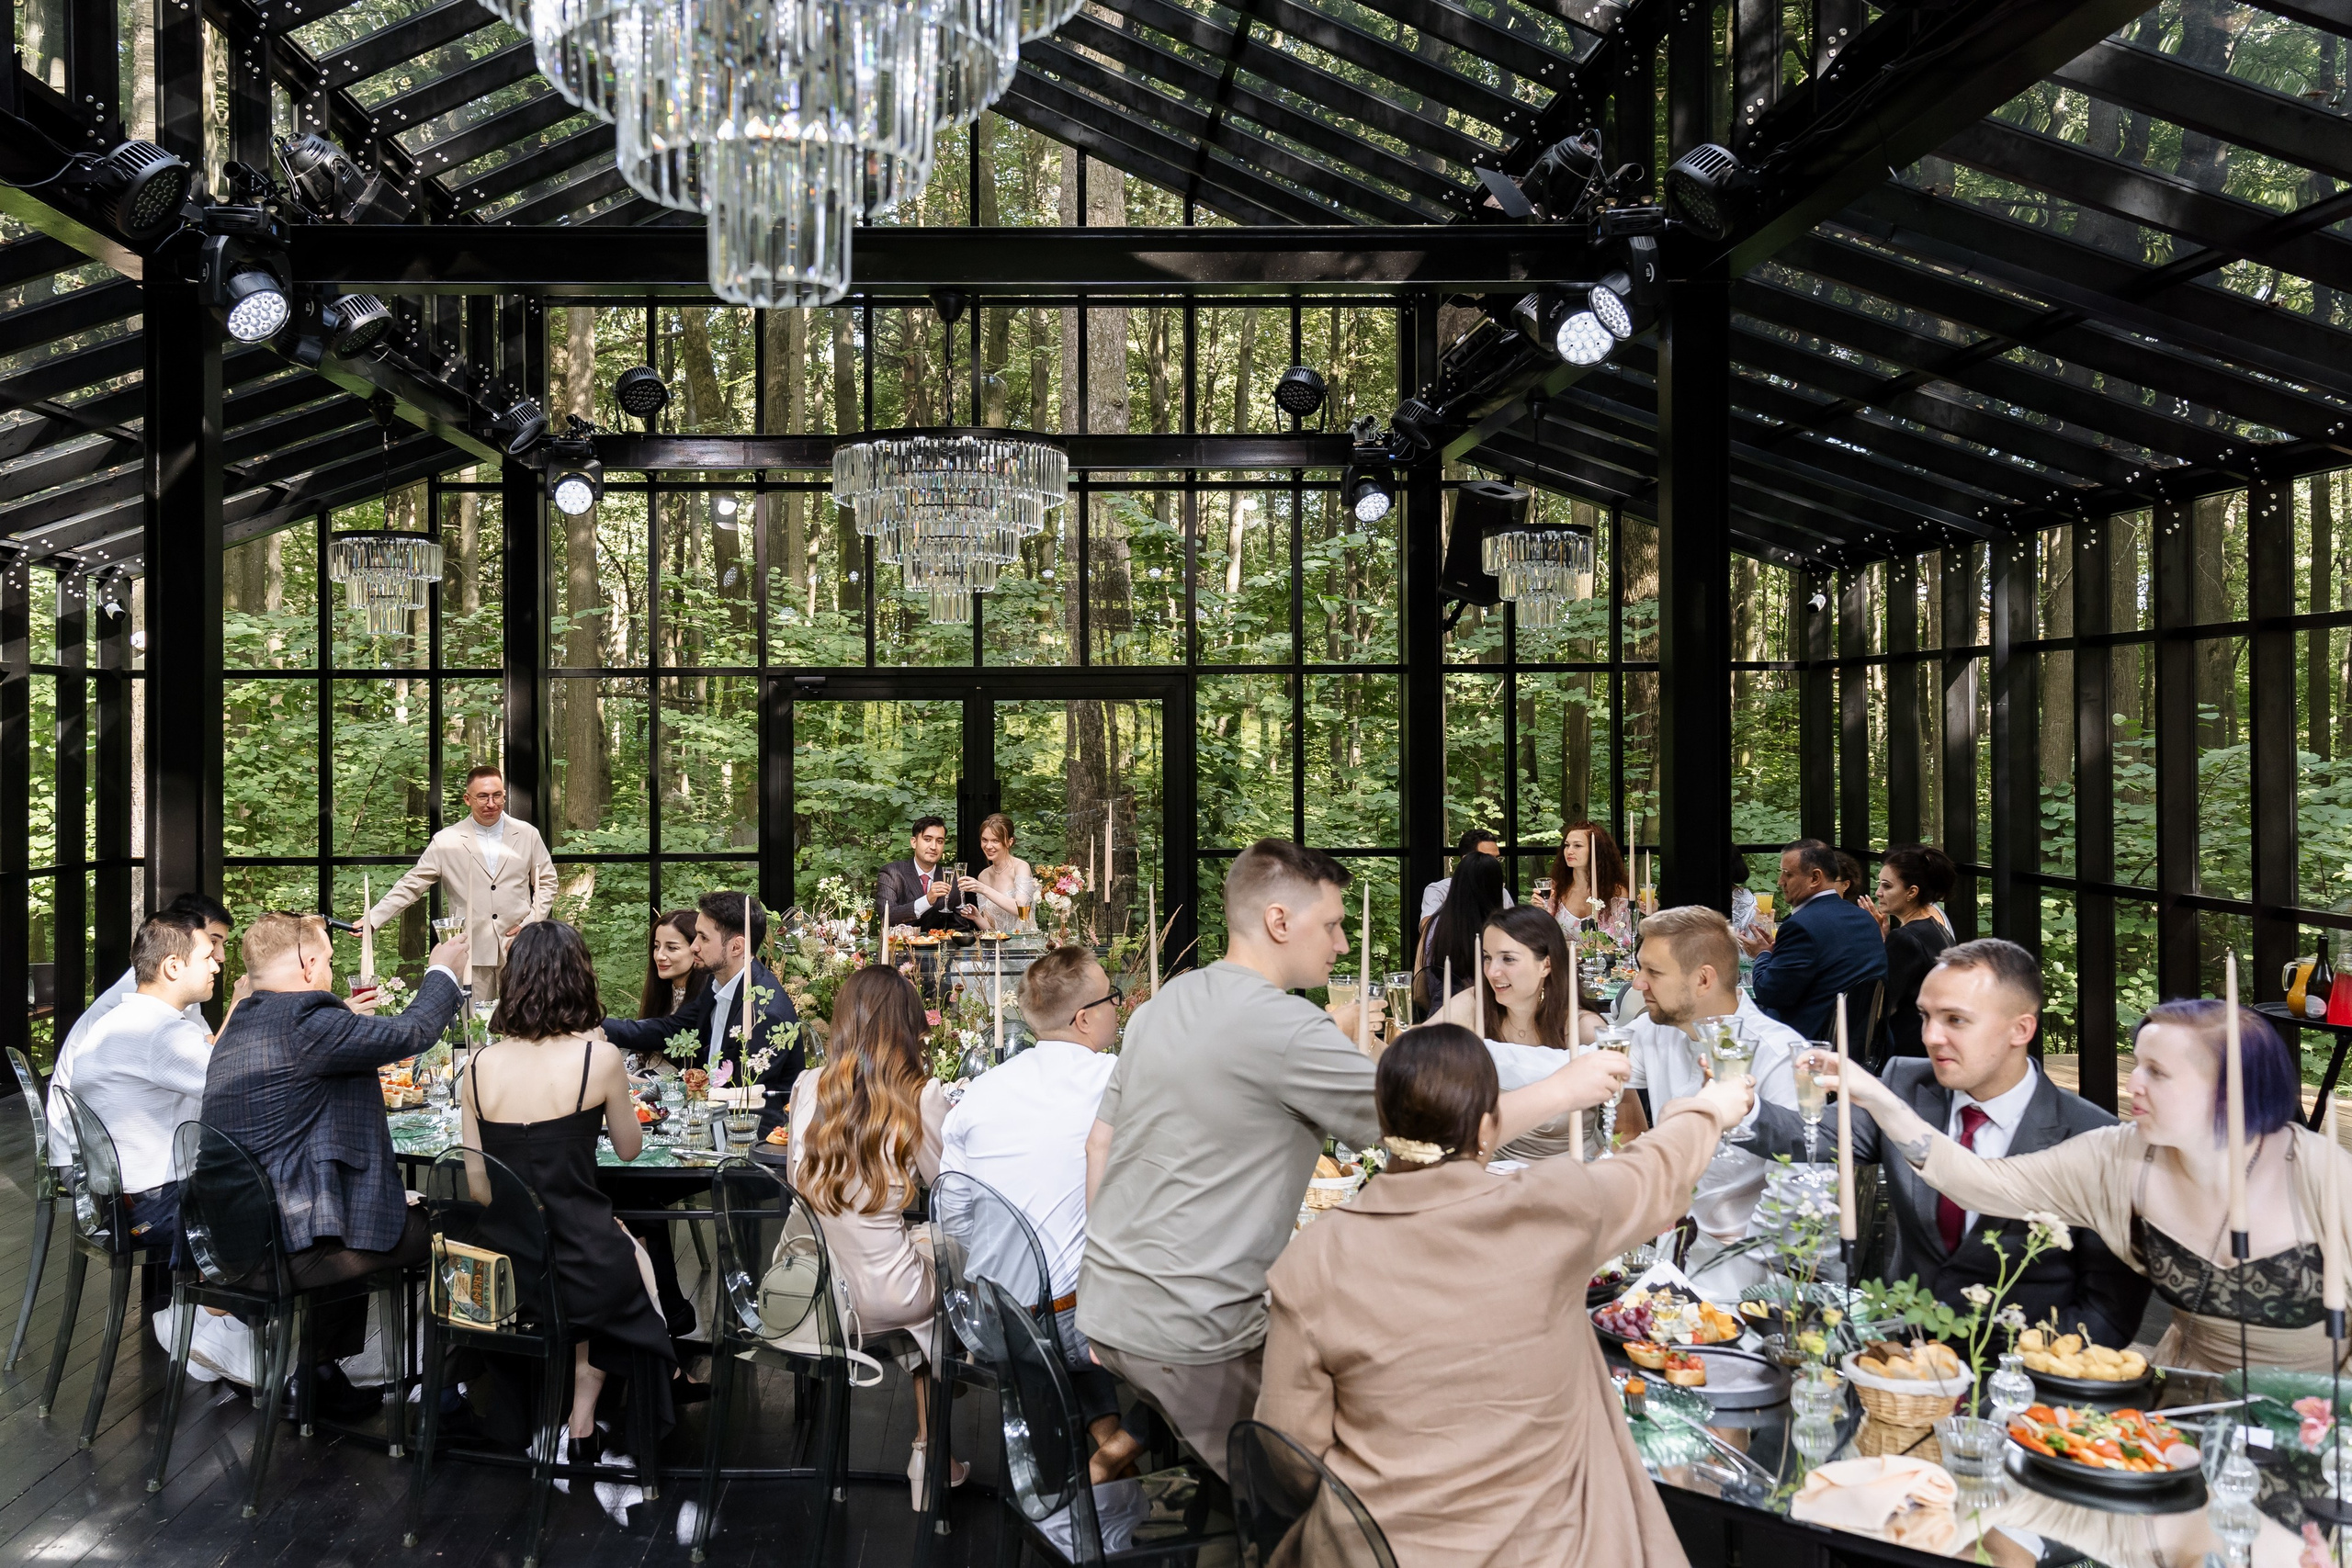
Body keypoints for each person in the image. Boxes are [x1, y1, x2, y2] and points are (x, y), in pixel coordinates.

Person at [1079, 838, 1629, 1481]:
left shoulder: (1165, 1002)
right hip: (1191, 1331)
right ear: (1279, 922)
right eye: (1334, 924)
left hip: (1109, 1306)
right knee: (1339, 1475)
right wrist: (1563, 1090)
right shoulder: (1287, 1029)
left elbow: (1102, 1142)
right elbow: (1429, 1138)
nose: (1342, 945)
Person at [1257, 1023, 1756, 1567]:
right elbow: (1656, 1169)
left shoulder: (1313, 1258)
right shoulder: (1552, 1208)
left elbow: (1291, 1453)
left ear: (1383, 1120)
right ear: (1489, 1126)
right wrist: (1709, 1107)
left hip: (1381, 1549)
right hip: (1557, 1545)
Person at [1762, 940, 2151, 1353]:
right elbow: (1812, 1135)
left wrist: (2022, 1370)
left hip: (2022, 1381)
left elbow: (2107, 1311)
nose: (1930, 1036)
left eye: (1955, 1020)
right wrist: (1734, 1106)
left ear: (2021, 1029)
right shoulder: (1904, 1083)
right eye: (1925, 1016)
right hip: (1898, 1361)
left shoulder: (2093, 1136)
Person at [203, 913, 468, 1417]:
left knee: (361, 1215)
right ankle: (446, 1394)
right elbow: (412, 1032)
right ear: (306, 963)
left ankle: (319, 1374)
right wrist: (442, 973)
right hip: (277, 1251)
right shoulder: (306, 1019)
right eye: (326, 959)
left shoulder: (244, 1021)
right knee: (460, 1224)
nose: (328, 969)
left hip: (233, 1237)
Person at [463, 920, 679, 1457]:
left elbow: (479, 1187)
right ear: (579, 979)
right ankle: (587, 1416)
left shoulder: (476, 1065)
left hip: (507, 1273)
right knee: (628, 1254)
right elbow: (629, 1149)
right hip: (584, 1267)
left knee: (605, 1246)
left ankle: (557, 1409)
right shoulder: (599, 1059)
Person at [937, 946, 1140, 1483]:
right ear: (1086, 1017)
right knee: (1212, 1339)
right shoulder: (1117, 1082)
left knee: (1061, 1298)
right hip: (1078, 1324)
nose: (1118, 1010)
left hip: (990, 1320)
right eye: (1113, 1000)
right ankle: (1115, 1453)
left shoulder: (979, 1094)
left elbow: (954, 1217)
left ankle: (1095, 1447)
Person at [784, 964, 956, 1504]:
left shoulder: (808, 1085)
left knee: (915, 1247)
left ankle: (918, 1455)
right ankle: (930, 1452)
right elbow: (955, 1195)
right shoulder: (920, 1096)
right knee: (949, 1261)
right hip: (887, 1296)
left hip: (812, 1293)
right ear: (908, 1026)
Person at [1614, 907, 1805, 1281]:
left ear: (1703, 980)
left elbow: (1794, 1193)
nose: (1638, 984)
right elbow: (1584, 1067)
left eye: (1653, 972)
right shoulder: (1657, 1030)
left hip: (1745, 1273)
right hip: (1665, 1258)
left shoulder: (1777, 1055)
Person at [55, 911, 220, 1255]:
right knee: (283, 1199)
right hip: (154, 1208)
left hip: (117, 1203)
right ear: (173, 967)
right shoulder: (161, 1032)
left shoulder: (119, 1019)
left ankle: (195, 1306)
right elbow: (236, 1087)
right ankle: (211, 1308)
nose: (216, 966)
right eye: (207, 957)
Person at [50, 893, 237, 1171]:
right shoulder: (154, 1022)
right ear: (173, 965)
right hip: (117, 1169)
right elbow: (225, 1077)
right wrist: (240, 1004)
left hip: (106, 1159)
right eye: (210, 948)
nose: (217, 962)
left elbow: (207, 1050)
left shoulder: (141, 1004)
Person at [600, 892, 801, 1140]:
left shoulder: (765, 1012)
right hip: (713, 1124)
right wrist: (590, 1023)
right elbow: (670, 1030)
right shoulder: (716, 985)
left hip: (750, 1140)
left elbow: (740, 1093)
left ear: (736, 946)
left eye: (703, 938)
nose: (694, 946)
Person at [363, 766, 556, 999]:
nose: (491, 803)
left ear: (504, 795)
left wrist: (530, 923)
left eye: (497, 795)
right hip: (471, 950)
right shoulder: (447, 841)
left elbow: (547, 881)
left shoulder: (528, 834)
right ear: (467, 799)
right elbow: (412, 884)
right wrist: (373, 918)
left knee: (525, 1027)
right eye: (483, 796)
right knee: (474, 1031)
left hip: (519, 948)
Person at [1434, 904, 1599, 1162]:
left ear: (1546, 964)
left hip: (1571, 1179)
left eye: (1508, 959)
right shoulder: (1476, 1005)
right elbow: (1412, 1055)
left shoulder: (1585, 1029)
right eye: (1487, 957)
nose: (1491, 972)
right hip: (1490, 1176)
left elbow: (1629, 1128)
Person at [1740, 839, 1888, 1042]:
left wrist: (1762, 954)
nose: (1780, 881)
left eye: (1788, 874)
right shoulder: (1864, 919)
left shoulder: (1800, 926)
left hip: (1808, 1044)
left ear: (1815, 878)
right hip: (1864, 1042)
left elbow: (1769, 993)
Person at [1873, 845, 1956, 1065]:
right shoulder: (1934, 927)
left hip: (1907, 1053)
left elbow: (1883, 1005)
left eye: (1887, 886)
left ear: (1912, 892)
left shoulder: (1904, 938)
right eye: (1879, 884)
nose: (1878, 893)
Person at [1418, 852, 1508, 1010]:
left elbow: (1418, 991)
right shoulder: (1500, 930)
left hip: (1440, 1021)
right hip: (1489, 1021)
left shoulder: (1431, 926)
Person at [629, 909, 709, 1074]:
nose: (659, 956)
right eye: (656, 946)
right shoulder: (662, 994)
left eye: (672, 948)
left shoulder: (705, 999)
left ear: (696, 949)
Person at [1542, 820, 1633, 946]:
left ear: (1597, 851)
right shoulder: (1555, 889)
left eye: (1577, 846)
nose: (1569, 851)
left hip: (1604, 964)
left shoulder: (1615, 891)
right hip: (1562, 963)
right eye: (1567, 845)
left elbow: (1620, 938)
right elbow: (1542, 936)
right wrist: (1539, 910)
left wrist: (1571, 949)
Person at [1414, 828, 1506, 952]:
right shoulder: (1439, 890)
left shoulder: (1501, 892)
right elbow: (1427, 927)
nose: (1494, 864)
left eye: (1497, 859)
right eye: (1487, 858)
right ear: (1466, 860)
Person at [878, 816, 962, 930]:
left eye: (939, 841)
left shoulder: (951, 878)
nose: (933, 847)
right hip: (900, 945)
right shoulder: (892, 872)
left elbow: (959, 929)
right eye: (927, 839)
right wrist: (927, 900)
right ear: (914, 842)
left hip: (938, 945)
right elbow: (886, 916)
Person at [956, 813, 1034, 932]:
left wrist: (983, 889)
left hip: (1024, 944)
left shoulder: (1021, 867)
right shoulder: (983, 876)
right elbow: (991, 931)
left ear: (1009, 842)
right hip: (998, 946)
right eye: (984, 840)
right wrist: (977, 917)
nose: (988, 846)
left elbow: (1022, 910)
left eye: (995, 841)